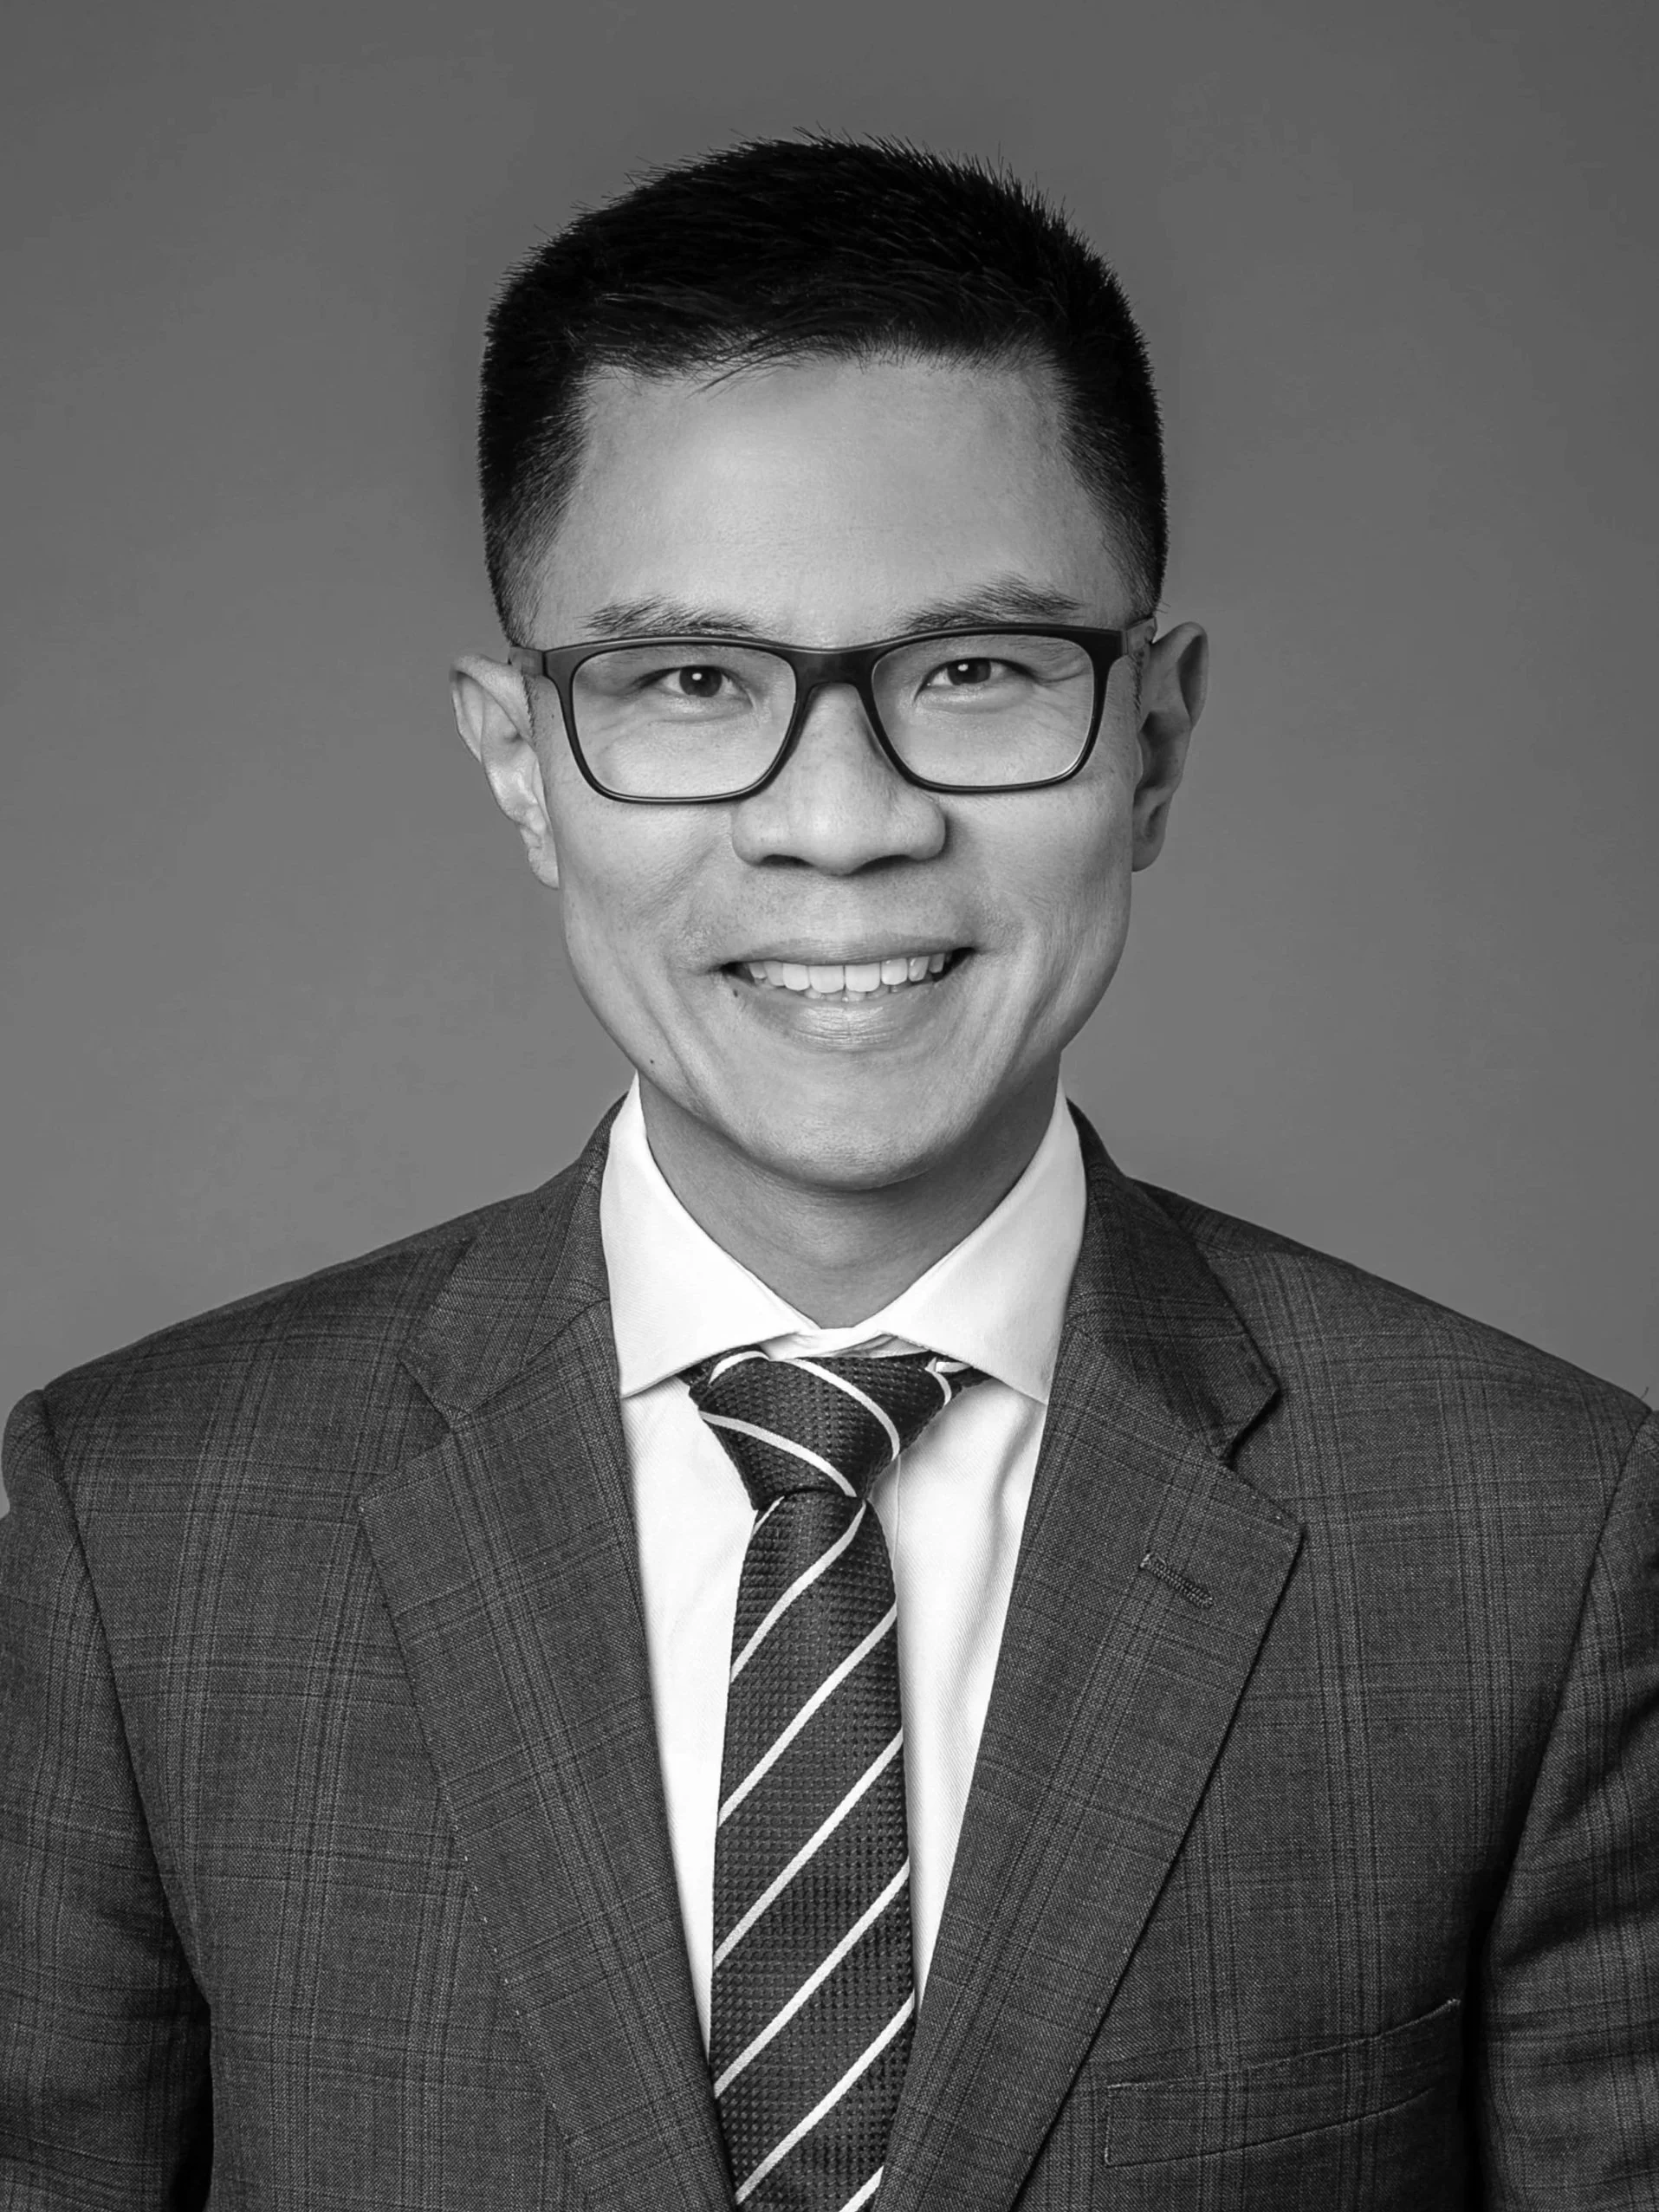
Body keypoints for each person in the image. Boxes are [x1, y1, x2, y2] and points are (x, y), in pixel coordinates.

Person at [1, 134, 1653, 2212]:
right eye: (691, 683)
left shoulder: (1544, 1540)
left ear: (1152, 739)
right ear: (522, 759)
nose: (843, 819)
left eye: (975, 669)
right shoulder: (129, 1530)